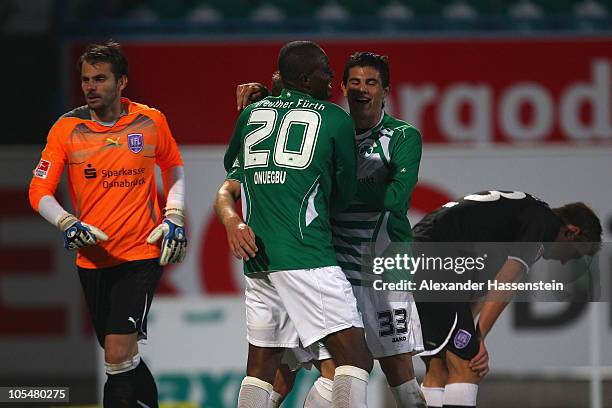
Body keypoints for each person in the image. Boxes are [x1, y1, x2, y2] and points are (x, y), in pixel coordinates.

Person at [234, 52, 426, 408]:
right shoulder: (328, 125)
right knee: (307, 366)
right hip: (330, 263)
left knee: (398, 366)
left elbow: (397, 197)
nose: (362, 90)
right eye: (354, 82)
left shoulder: (402, 136)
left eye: (371, 83)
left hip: (381, 268)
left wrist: (330, 188)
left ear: (386, 90)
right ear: (341, 86)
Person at [28, 40, 187, 408]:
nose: (90, 87)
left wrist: (174, 213)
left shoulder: (150, 121)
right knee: (122, 356)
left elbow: (173, 165)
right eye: (85, 79)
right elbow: (38, 190)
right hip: (93, 260)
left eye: (100, 79)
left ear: (122, 82)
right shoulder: (66, 128)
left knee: (116, 353)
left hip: (141, 254)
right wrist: (67, 222)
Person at [215, 41, 373, 408]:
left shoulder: (250, 115)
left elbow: (232, 169)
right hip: (307, 254)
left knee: (262, 368)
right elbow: (344, 194)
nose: (333, 79)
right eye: (325, 72)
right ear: (305, 77)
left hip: (258, 260)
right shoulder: (334, 118)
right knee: (356, 359)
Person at [411, 190, 602, 408]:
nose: (566, 262)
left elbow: (481, 290)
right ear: (572, 232)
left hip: (416, 253)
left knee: (439, 368)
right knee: (469, 367)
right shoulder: (544, 224)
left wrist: (471, 332)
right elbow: (508, 280)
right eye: (576, 254)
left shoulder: (519, 216)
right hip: (438, 259)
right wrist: (478, 338)